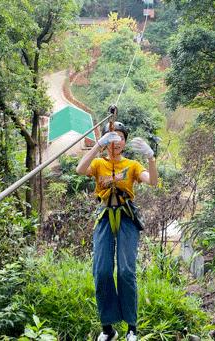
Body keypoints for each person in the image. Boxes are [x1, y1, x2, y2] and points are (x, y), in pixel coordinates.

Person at [76, 121, 158, 341]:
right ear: (105, 141)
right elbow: (79, 169)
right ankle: (108, 329)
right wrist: (97, 146)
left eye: (120, 137)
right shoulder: (98, 163)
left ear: (125, 142)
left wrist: (150, 157)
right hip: (104, 216)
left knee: (125, 271)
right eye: (111, 137)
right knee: (101, 271)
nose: (116, 141)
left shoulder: (131, 165)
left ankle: (132, 328)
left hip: (126, 218)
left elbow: (153, 182)